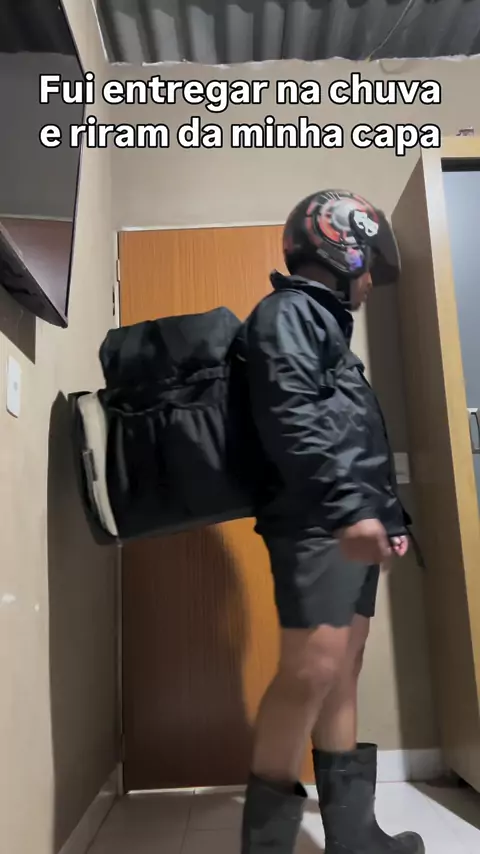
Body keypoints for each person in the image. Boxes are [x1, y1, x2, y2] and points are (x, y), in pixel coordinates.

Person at [240, 190, 424, 854]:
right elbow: (291, 419)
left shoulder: (323, 326)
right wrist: (349, 511)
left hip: (348, 525)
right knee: (310, 672)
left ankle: (354, 838)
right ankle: (265, 847)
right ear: (341, 248)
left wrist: (386, 518)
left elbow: (347, 433)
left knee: (343, 667)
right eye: (369, 265)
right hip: (318, 525)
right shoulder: (288, 314)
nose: (371, 282)